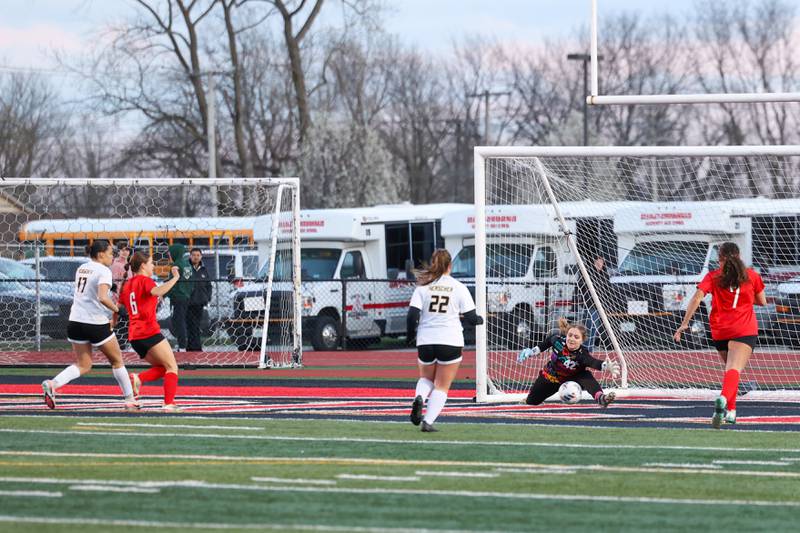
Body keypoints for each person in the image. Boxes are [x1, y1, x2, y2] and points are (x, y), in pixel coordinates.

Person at [674, 242, 765, 428]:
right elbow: (762, 301)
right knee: (734, 370)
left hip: (720, 330)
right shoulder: (752, 276)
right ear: (739, 256)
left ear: (719, 259)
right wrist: (745, 298)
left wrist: (684, 324)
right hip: (743, 329)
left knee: (730, 371)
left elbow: (697, 297)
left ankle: (731, 412)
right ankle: (723, 400)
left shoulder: (713, 276)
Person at [41, 240, 138, 410]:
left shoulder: (82, 267)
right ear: (100, 254)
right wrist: (118, 309)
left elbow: (91, 289)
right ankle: (130, 399)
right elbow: (102, 297)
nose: (112, 256)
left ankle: (53, 383)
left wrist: (112, 287)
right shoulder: (104, 271)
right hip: (94, 322)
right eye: (110, 253)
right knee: (117, 361)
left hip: (75, 322)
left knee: (83, 365)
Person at [406, 249, 483, 432]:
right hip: (450, 340)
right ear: (450, 265)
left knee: (426, 378)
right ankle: (428, 422)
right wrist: (480, 319)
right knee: (442, 384)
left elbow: (411, 316)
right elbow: (471, 318)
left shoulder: (422, 287)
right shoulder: (458, 287)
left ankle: (419, 397)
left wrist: (410, 337)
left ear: (433, 263)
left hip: (426, 340)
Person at [120, 251, 183, 412]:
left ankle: (137, 379)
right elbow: (157, 292)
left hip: (134, 335)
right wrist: (175, 278)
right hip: (148, 331)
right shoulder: (145, 280)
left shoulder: (127, 284)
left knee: (163, 367)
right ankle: (168, 403)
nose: (153, 266)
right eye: (151, 263)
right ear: (143, 265)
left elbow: (120, 307)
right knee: (172, 367)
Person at [517, 317, 620, 407]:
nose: (572, 339)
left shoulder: (582, 354)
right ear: (566, 335)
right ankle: (530, 400)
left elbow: (592, 362)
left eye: (576, 337)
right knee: (532, 401)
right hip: (552, 377)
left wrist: (606, 366)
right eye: (570, 335)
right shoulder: (557, 341)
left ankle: (601, 398)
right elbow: (547, 343)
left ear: (582, 341)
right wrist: (531, 351)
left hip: (574, 378)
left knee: (586, 375)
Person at [574, 255, 612, 353]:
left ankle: (587, 349)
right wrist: (581, 298)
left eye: (601, 262)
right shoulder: (587, 273)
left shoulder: (604, 274)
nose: (599, 264)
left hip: (600, 307)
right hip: (590, 305)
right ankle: (586, 350)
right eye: (597, 262)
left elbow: (608, 289)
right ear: (594, 263)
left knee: (594, 330)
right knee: (590, 328)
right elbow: (579, 286)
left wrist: (607, 304)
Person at [166, 243, 192, 351]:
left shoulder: (176, 265)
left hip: (178, 297)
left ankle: (182, 347)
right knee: (182, 321)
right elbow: (191, 282)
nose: (169, 255)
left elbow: (172, 284)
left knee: (179, 322)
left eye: (170, 253)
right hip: (186, 297)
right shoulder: (187, 264)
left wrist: (165, 294)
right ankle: (183, 345)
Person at [187, 248, 212, 351]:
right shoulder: (186, 268)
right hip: (188, 303)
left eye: (198, 255)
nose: (196, 257)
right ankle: (194, 347)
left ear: (201, 256)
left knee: (196, 325)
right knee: (190, 325)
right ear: (190, 256)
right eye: (194, 255)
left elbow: (208, 285)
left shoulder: (204, 270)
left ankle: (194, 347)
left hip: (200, 302)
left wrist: (207, 298)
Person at [110, 244, 132, 346]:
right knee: (120, 322)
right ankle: (120, 345)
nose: (125, 252)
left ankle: (123, 344)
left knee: (126, 322)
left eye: (127, 250)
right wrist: (119, 299)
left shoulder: (129, 265)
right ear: (118, 251)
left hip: (129, 298)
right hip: (120, 299)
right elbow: (115, 284)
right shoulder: (116, 264)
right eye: (123, 250)